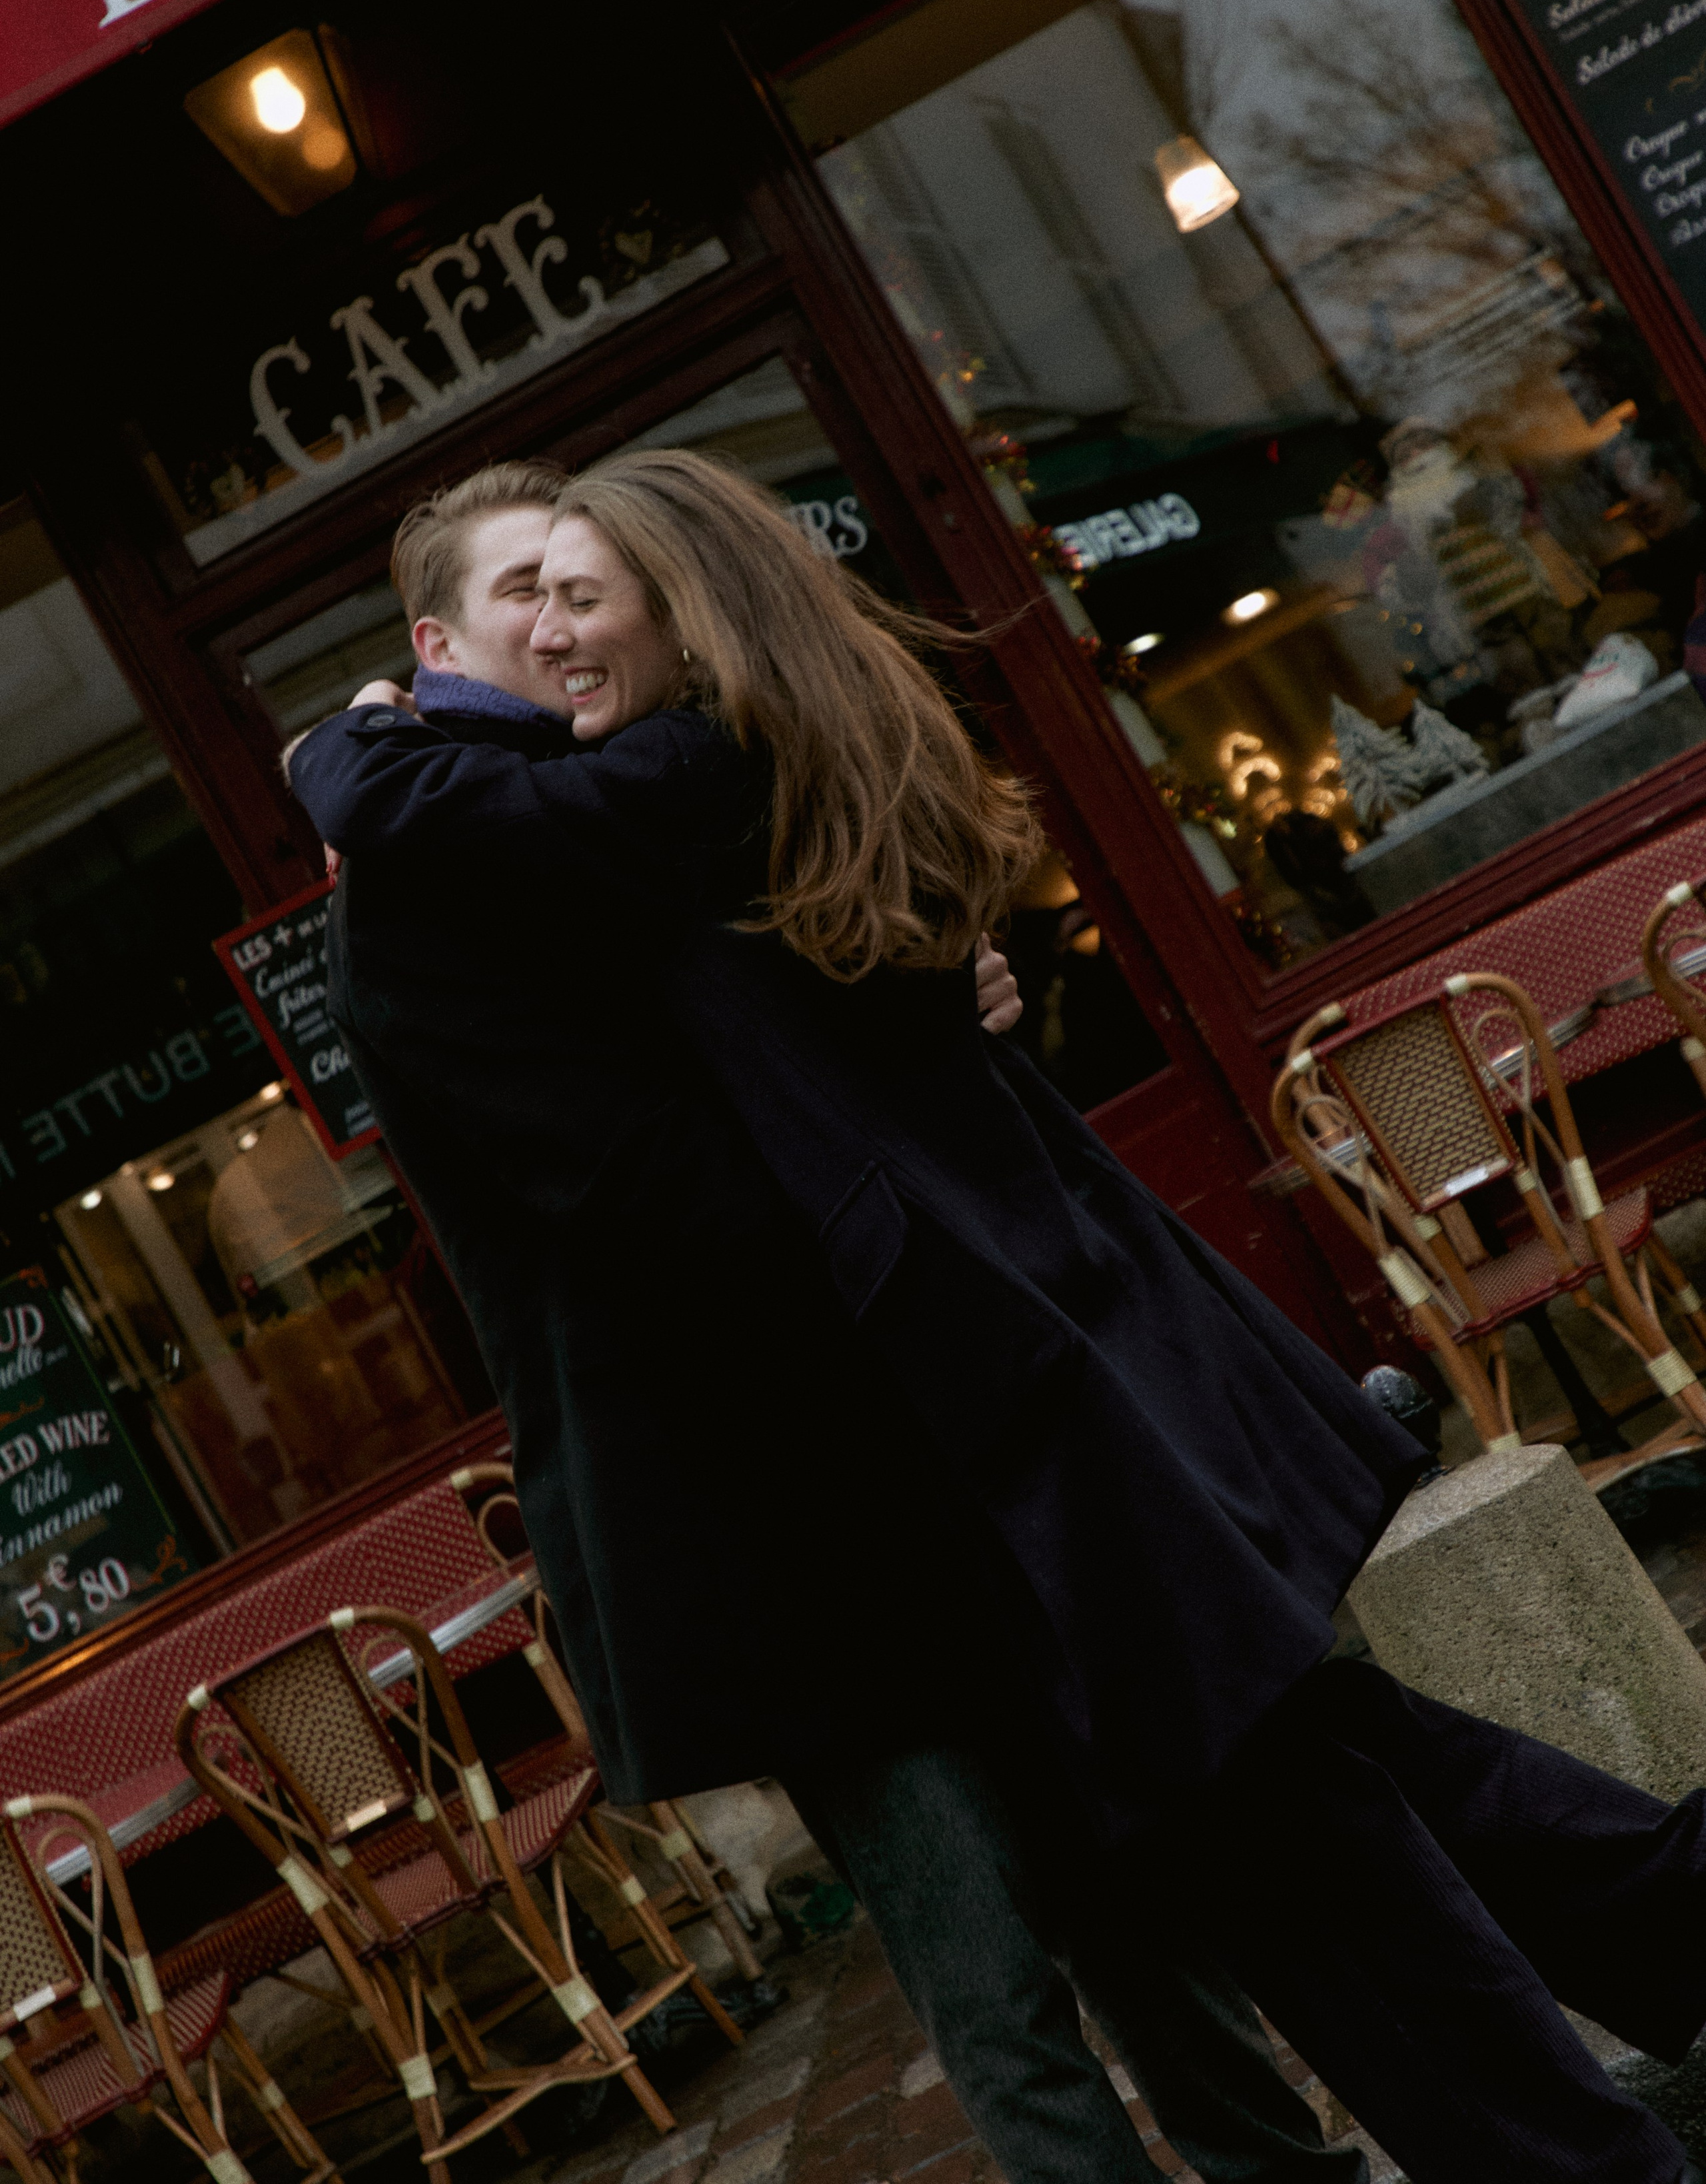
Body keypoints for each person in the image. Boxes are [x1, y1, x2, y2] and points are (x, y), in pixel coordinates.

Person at [289, 453, 1706, 2184]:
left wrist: (346, 755)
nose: (560, 626)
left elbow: (763, 1094)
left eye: (586, 589)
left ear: (689, 605)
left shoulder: (652, 792)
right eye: (531, 592)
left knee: (1281, 1826)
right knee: (1288, 1794)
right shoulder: (638, 806)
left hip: (1006, 1413)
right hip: (948, 1440)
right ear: (436, 635)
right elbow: (706, 1155)